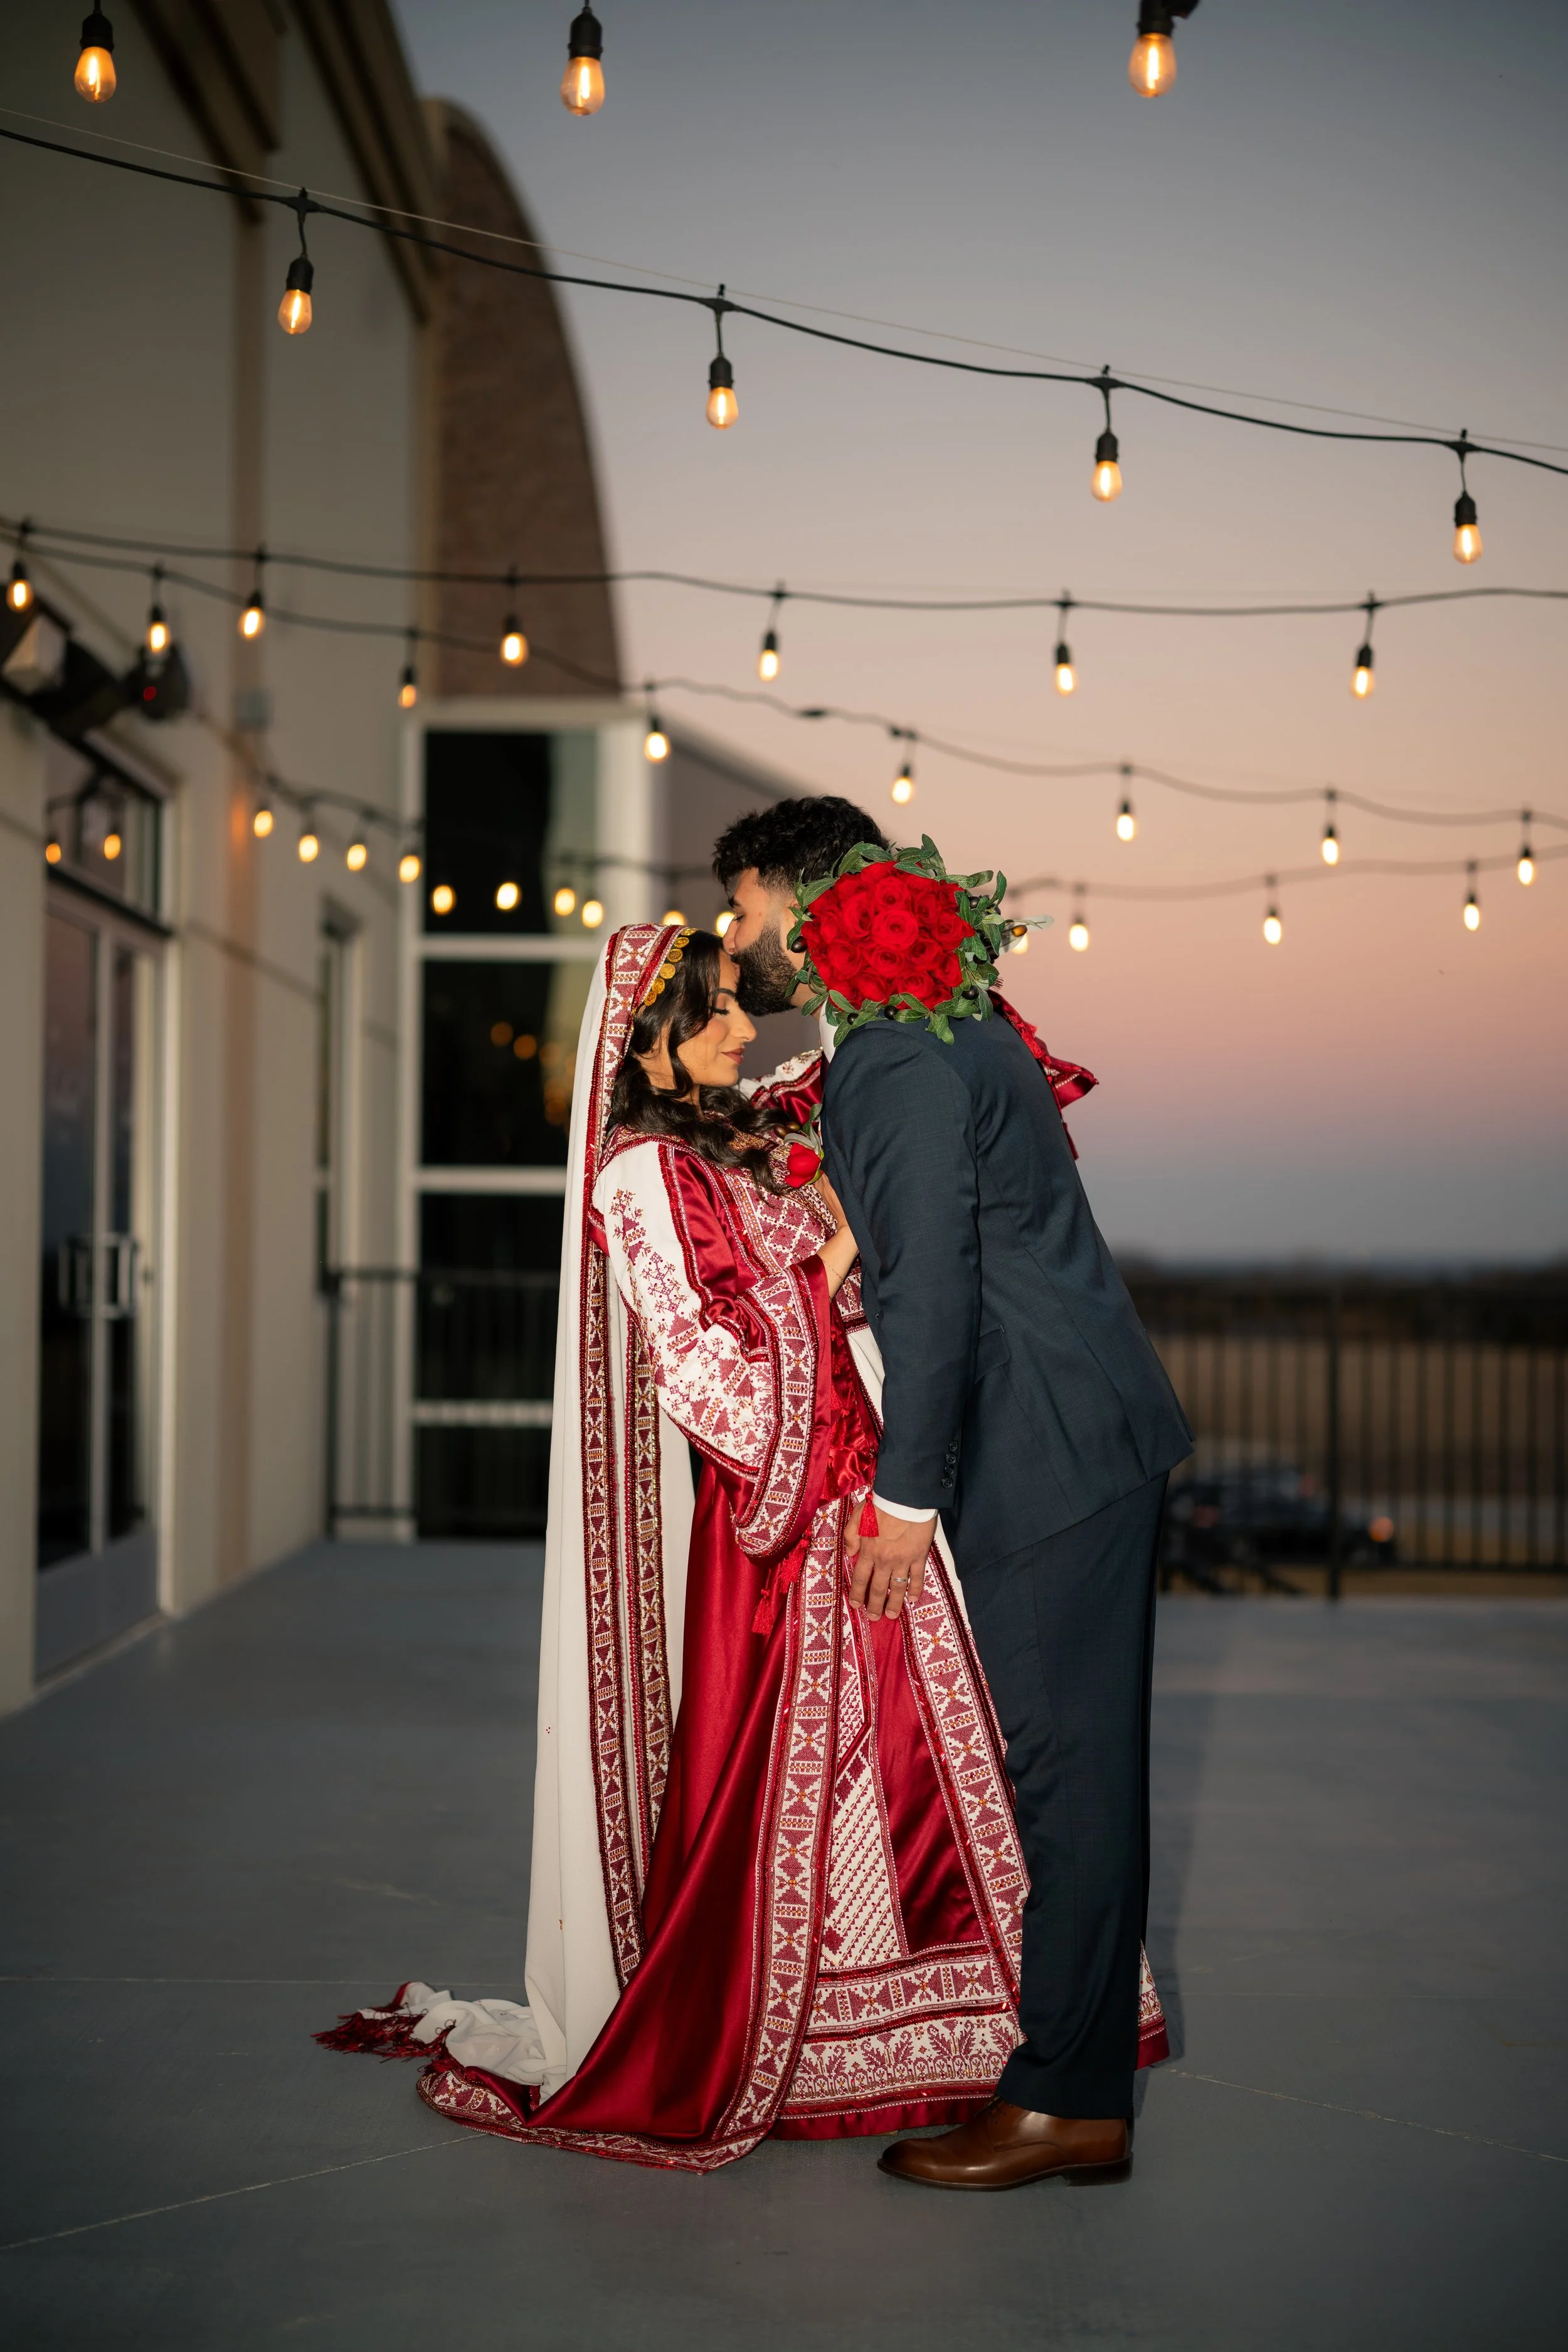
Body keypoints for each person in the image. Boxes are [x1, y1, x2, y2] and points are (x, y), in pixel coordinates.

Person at [319, 919, 1172, 2168]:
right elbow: (710, 1390)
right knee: (865, 1811)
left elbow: (886, 1128)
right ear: (642, 1044)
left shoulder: (739, 1143)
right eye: (710, 1014)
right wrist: (837, 1248)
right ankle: (852, 2057)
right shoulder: (637, 1176)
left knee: (965, 1786)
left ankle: (1000, 2061)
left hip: (868, 1511)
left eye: (736, 1006)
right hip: (793, 1552)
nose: (738, 1029)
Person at [718, 797, 1192, 2190]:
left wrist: (904, 1500)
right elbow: (944, 1214)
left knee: (1067, 1783)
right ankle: (1077, 2089)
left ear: (807, 911)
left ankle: (1061, 2101)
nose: (734, 940)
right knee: (1078, 1773)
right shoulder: (934, 1032)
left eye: (744, 911)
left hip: (1043, 1451)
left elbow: (937, 1289)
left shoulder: (890, 1059)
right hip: (1079, 1432)